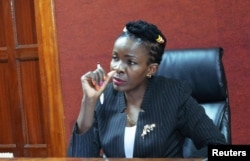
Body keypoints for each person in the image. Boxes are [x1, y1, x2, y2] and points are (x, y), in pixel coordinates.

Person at [67, 20, 226, 158]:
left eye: (131, 62)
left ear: (151, 69)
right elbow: (79, 158)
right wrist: (88, 102)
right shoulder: (105, 97)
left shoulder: (175, 95)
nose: (118, 68)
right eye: (115, 58)